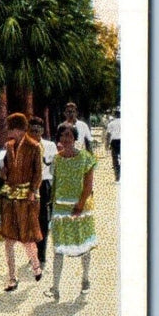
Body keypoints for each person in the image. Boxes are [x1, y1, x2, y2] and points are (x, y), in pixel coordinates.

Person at [44, 123, 98, 302]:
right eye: (63, 135)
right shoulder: (57, 159)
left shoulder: (86, 158)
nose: (66, 139)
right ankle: (55, 288)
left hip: (80, 208)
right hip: (60, 209)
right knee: (58, 248)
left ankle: (85, 279)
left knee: (83, 247)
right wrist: (51, 207)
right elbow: (55, 184)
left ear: (75, 137)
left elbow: (88, 185)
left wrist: (80, 205)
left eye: (69, 135)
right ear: (59, 138)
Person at [0, 112, 43, 292]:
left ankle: (36, 265)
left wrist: (33, 191)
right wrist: (3, 171)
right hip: (10, 194)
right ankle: (12, 277)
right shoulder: (8, 146)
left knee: (27, 237)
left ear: (20, 129)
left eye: (11, 129)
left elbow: (37, 173)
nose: (9, 132)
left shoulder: (34, 146)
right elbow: (7, 169)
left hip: (26, 196)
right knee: (9, 238)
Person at [29, 116, 57, 267]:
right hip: (28, 186)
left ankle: (42, 255)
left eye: (37, 130)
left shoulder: (50, 145)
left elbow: (53, 167)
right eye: (32, 130)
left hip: (44, 184)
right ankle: (33, 253)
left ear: (42, 131)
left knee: (43, 221)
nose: (35, 133)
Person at [105, 110, 121, 182]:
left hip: (114, 142)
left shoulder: (111, 123)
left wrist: (106, 145)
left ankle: (117, 176)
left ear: (114, 115)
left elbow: (108, 135)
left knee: (115, 159)